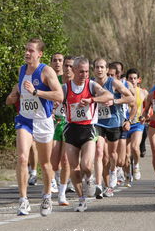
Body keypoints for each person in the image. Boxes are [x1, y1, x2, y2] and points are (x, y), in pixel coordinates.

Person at [6, 38, 63, 216]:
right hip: (25, 120)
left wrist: (37, 92)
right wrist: (13, 96)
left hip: (43, 121)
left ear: (40, 54)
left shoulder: (46, 71)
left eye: (31, 50)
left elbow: (59, 95)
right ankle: (23, 200)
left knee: (45, 164)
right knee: (22, 158)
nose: (27, 53)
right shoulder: (21, 70)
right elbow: (19, 90)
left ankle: (46, 196)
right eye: (26, 50)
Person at [63, 57, 113, 211]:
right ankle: (81, 199)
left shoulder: (91, 85)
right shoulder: (65, 88)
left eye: (86, 71)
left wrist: (92, 100)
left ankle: (90, 178)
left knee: (86, 165)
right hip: (71, 129)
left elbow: (109, 96)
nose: (84, 74)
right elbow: (55, 99)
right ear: (74, 70)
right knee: (74, 167)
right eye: (81, 71)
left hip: (88, 129)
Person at [93, 59, 134, 198]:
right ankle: (101, 185)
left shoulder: (113, 83)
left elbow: (131, 98)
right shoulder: (91, 83)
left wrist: (115, 101)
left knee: (111, 155)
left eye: (102, 67)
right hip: (97, 122)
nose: (99, 70)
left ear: (106, 69)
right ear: (94, 69)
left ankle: (113, 172)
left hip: (113, 122)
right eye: (97, 67)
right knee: (100, 153)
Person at [50, 55, 75, 205]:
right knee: (53, 160)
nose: (67, 69)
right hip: (56, 122)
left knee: (66, 160)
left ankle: (62, 193)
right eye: (66, 65)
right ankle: (56, 180)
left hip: (71, 124)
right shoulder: (56, 82)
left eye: (71, 66)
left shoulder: (78, 85)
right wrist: (50, 110)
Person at [125, 68, 148, 183]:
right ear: (126, 79)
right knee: (125, 154)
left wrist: (146, 115)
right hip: (124, 124)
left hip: (137, 123)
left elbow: (149, 106)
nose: (133, 80)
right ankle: (126, 174)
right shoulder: (122, 90)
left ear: (139, 80)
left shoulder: (143, 92)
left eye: (135, 78)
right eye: (130, 78)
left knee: (135, 147)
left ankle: (136, 166)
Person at [49, 53, 64, 193]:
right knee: (53, 151)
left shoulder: (68, 79)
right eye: (55, 60)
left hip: (66, 119)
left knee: (65, 155)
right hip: (52, 118)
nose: (57, 63)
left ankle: (62, 179)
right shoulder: (47, 77)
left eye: (60, 60)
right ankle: (53, 179)